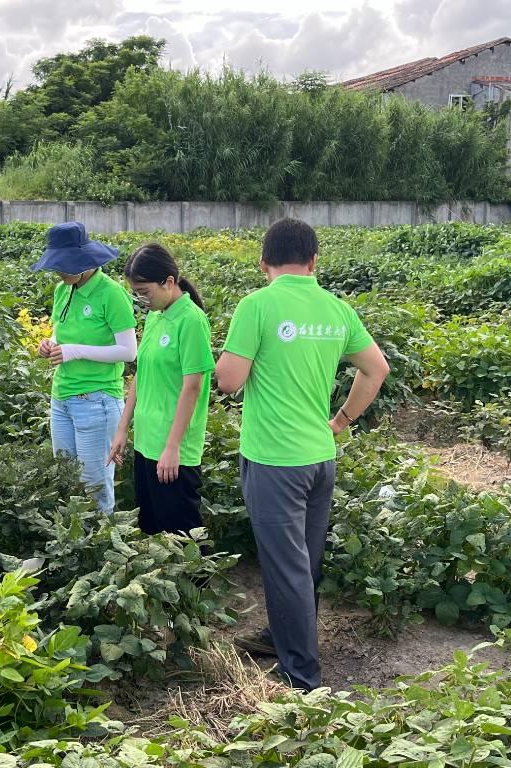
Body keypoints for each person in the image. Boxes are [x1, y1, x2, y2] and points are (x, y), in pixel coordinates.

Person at [215, 217, 390, 692]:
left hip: (274, 460)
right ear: (314, 261)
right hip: (319, 455)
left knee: (285, 565)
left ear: (262, 263)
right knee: (304, 562)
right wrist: (341, 422)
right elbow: (376, 370)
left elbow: (228, 382)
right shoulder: (336, 307)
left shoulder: (257, 305)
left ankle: (304, 678)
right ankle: (283, 636)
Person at [108, 243, 214, 535]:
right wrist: (122, 429)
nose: (142, 300)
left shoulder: (191, 321)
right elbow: (141, 376)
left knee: (181, 533)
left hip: (172, 447)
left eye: (145, 292)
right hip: (146, 440)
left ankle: (200, 582)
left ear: (168, 282)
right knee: (152, 529)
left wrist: (172, 447)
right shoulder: (155, 317)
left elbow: (192, 387)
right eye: (137, 293)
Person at [32, 221, 137, 512]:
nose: (60, 272)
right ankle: (74, 552)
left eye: (65, 266)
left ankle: (101, 550)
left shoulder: (111, 294)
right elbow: (61, 333)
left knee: (95, 486)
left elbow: (128, 351)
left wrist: (75, 352)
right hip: (62, 398)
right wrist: (49, 344)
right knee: (66, 481)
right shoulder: (62, 291)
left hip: (97, 401)